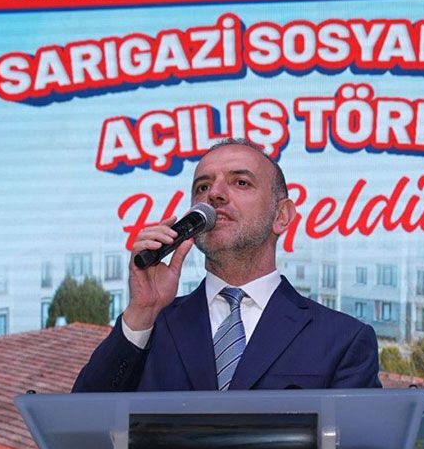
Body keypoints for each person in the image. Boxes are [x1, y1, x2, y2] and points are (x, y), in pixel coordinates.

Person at [73, 139, 380, 392]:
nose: (214, 194)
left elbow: (359, 445)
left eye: (241, 182)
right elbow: (82, 424)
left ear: (281, 216)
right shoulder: (152, 325)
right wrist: (143, 311)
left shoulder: (342, 339)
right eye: (202, 187)